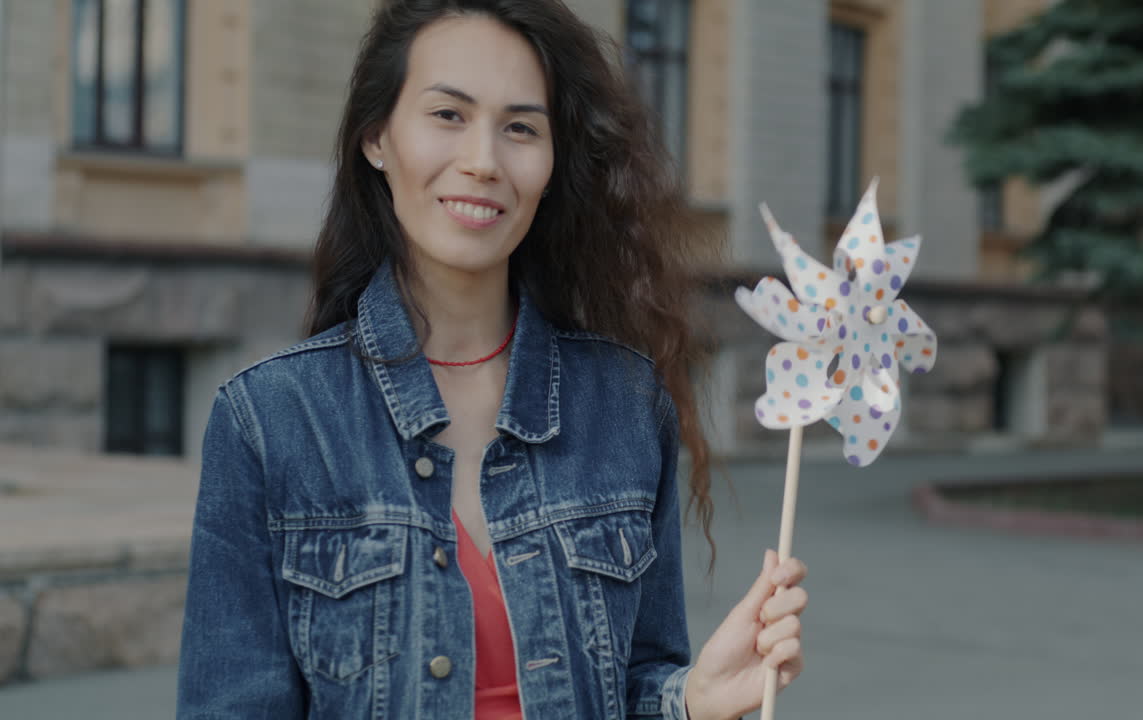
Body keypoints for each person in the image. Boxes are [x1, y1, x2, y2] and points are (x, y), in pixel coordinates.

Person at [177, 1, 808, 718]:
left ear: (552, 161)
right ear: (377, 137)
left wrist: (689, 700)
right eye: (448, 115)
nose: (483, 161)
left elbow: (634, 681)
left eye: (520, 128)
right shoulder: (270, 420)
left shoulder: (626, 402)